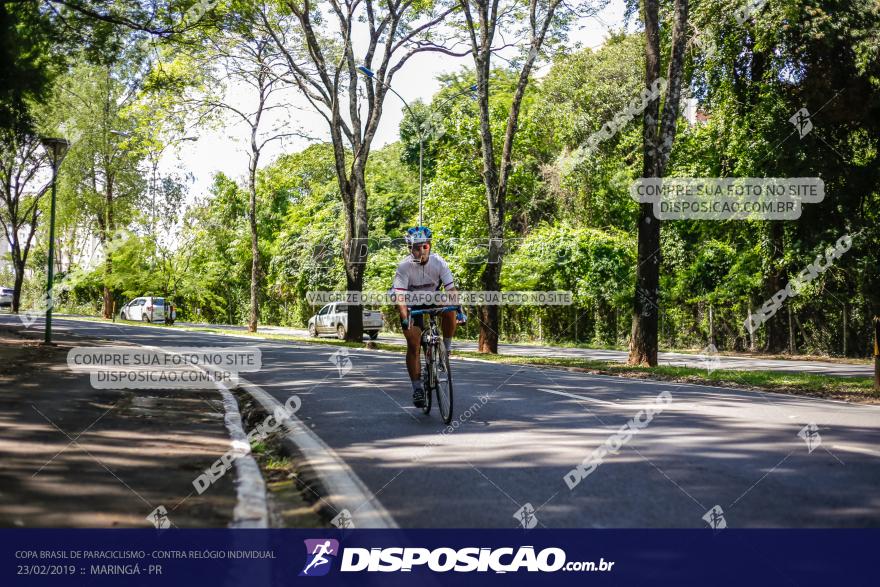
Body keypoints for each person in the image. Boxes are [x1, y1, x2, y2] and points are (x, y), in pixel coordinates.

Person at [392, 226, 465, 407]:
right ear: (410, 249)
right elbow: (400, 297)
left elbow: (451, 289)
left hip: (432, 297)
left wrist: (459, 310)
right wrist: (405, 318)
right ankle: (417, 388)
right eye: (416, 248)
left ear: (429, 246)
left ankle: (445, 349)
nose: (421, 251)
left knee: (450, 308)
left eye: (424, 247)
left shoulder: (439, 262)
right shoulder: (404, 267)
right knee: (413, 343)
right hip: (410, 302)